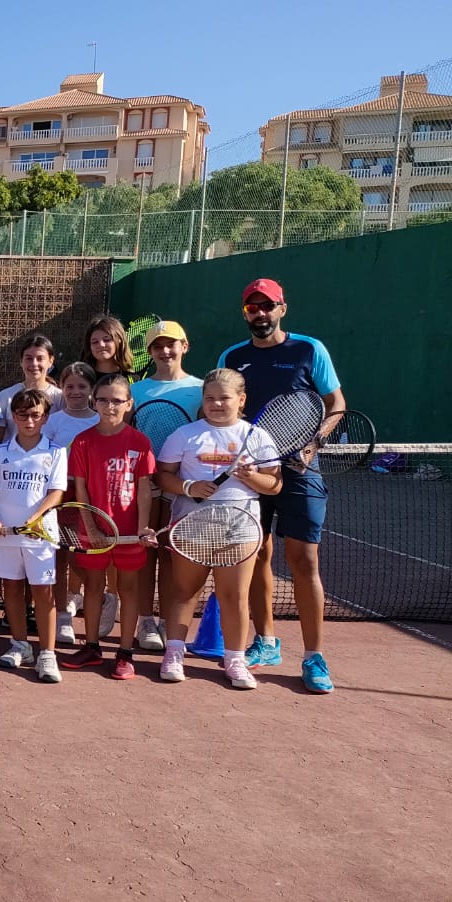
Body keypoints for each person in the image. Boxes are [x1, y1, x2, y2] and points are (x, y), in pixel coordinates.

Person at [217, 278, 345, 694]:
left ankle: (313, 656)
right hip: (254, 473)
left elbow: (336, 404)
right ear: (245, 313)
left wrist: (313, 443)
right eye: (252, 308)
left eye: (267, 306)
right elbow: (226, 409)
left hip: (301, 471)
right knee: (254, 554)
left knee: (303, 560)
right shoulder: (233, 356)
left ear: (282, 308)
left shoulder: (310, 349)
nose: (260, 313)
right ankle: (266, 641)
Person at [155, 368, 281, 690]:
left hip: (240, 526)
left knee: (234, 595)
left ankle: (235, 659)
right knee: (184, 592)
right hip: (192, 525)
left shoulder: (257, 436)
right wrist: (188, 486)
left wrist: (252, 477)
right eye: (210, 398)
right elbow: (163, 476)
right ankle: (174, 653)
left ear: (241, 400)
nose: (216, 404)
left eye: (224, 398)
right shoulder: (185, 435)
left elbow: (274, 484)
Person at [63, 374, 155, 680]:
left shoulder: (140, 442)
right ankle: (91, 647)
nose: (110, 406)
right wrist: (92, 527)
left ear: (129, 404)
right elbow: (82, 489)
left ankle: (125, 653)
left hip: (130, 533)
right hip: (94, 533)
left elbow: (143, 490)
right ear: (95, 401)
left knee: (128, 589)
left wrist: (142, 528)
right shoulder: (83, 441)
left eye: (117, 400)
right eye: (103, 399)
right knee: (93, 587)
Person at [0, 389, 67, 683]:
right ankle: (20, 645)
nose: (29, 420)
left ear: (45, 417)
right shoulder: (1, 452)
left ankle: (47, 653)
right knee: (12, 591)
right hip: (7, 536)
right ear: (13, 416)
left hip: (40, 536)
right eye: (23, 414)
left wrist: (36, 518)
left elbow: (56, 492)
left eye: (35, 415)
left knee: (44, 594)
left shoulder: (55, 452)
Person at [130, 321, 203, 652]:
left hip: (181, 486)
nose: (165, 351)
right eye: (158, 346)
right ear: (150, 352)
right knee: (145, 555)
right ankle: (146, 619)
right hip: (145, 485)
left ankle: (167, 621)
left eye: (171, 344)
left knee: (176, 558)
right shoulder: (137, 391)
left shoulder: (202, 389)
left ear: (184, 346)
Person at [43, 361, 104, 645]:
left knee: (85, 555)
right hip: (60, 495)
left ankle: (86, 599)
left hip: (91, 497)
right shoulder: (54, 421)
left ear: (92, 389)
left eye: (82, 386)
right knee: (58, 556)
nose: (75, 391)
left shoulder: (99, 421)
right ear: (61, 389)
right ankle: (62, 617)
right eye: (69, 386)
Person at [0, 334, 64, 446]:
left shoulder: (60, 397)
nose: (34, 364)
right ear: (21, 361)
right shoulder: (6, 396)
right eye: (28, 358)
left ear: (51, 361)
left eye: (40, 358)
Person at [80, 315, 135, 379]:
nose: (101, 344)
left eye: (106, 340)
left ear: (120, 341)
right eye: (95, 342)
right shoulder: (80, 379)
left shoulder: (132, 380)